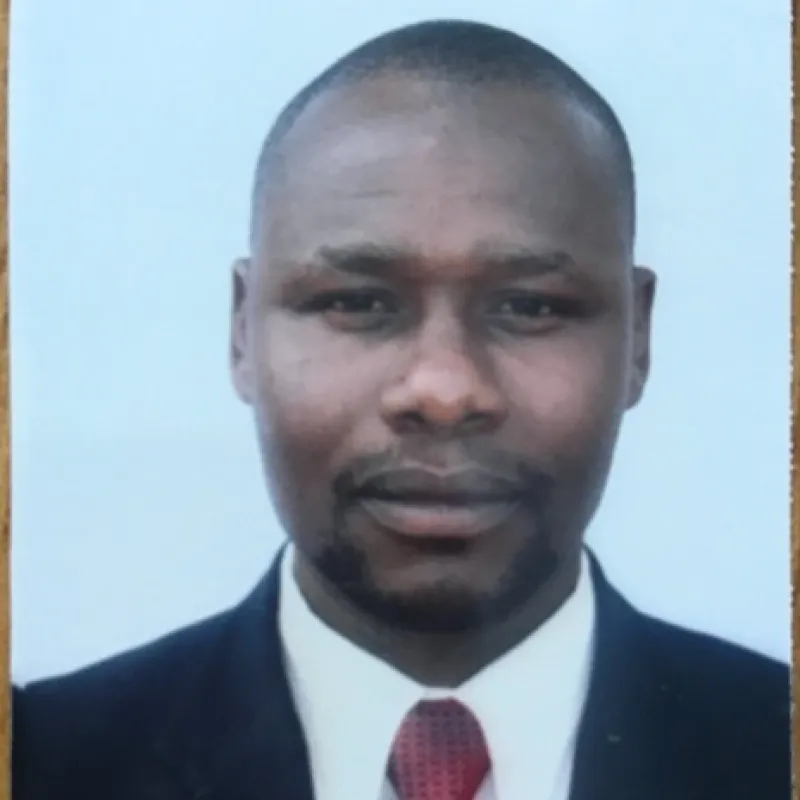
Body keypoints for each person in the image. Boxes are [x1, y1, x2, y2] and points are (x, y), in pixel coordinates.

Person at [12, 19, 790, 800]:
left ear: (638, 339)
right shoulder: (43, 764)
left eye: (530, 307)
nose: (444, 391)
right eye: (356, 302)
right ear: (242, 330)